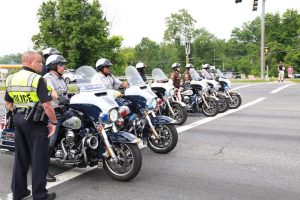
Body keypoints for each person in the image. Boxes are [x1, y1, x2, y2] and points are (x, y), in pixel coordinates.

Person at [4, 51, 57, 200]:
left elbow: (8, 103)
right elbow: (47, 105)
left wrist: (20, 112)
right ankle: (40, 195)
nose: (42, 65)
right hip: (35, 122)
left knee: (21, 157)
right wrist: (53, 122)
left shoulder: (11, 78)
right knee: (39, 159)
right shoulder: (37, 79)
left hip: (18, 120)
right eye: (39, 62)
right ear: (29, 61)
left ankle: (19, 192)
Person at [43, 54, 69, 182]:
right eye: (61, 64)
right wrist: (59, 98)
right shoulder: (48, 78)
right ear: (53, 66)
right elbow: (51, 92)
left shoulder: (61, 78)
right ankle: (43, 170)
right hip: (54, 113)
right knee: (50, 141)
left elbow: (65, 94)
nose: (64, 66)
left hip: (65, 110)